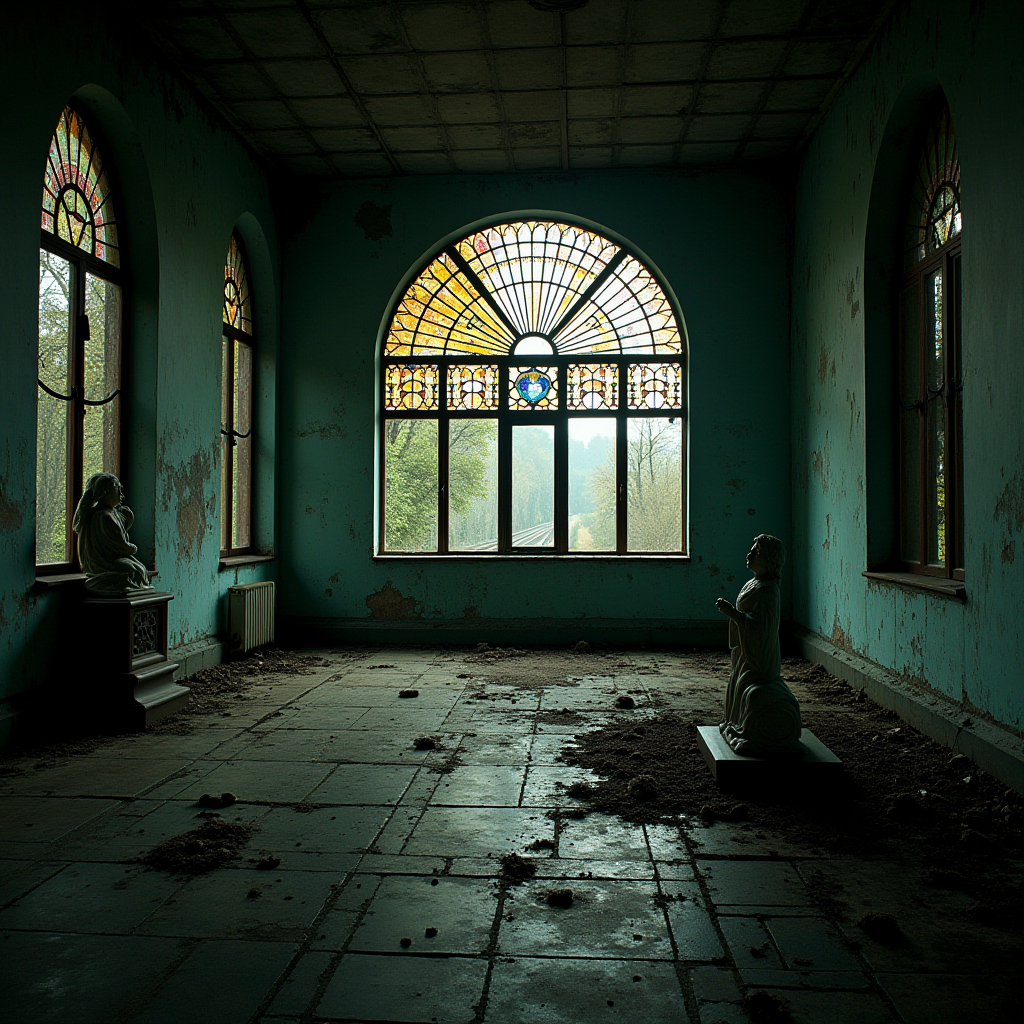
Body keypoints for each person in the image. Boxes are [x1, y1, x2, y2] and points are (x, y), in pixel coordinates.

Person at [714, 534, 802, 756]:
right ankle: (735, 721)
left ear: (768, 560)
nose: (749, 554)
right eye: (751, 550)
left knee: (750, 689)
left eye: (755, 552)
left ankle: (749, 730)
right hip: (745, 652)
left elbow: (762, 628)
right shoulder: (754, 583)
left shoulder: (769, 590)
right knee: (738, 684)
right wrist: (734, 616)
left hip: (758, 655)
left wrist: (732, 613)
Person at [72, 473, 151, 594]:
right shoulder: (104, 516)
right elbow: (118, 545)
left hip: (108, 559)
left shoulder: (108, 513)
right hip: (102, 562)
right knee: (132, 570)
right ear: (106, 492)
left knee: (139, 568)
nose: (121, 495)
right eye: (117, 490)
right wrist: (131, 548)